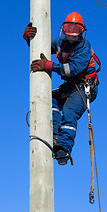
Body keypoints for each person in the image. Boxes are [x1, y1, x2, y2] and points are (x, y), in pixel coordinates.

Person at [23, 12, 100, 165]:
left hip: (84, 86)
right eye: (69, 32)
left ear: (81, 33)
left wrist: (49, 66)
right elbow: (40, 46)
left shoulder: (84, 47)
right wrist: (29, 38)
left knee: (70, 112)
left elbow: (73, 69)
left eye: (75, 34)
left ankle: (63, 148)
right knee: (50, 100)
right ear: (64, 30)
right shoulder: (60, 43)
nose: (71, 37)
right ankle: (54, 135)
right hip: (70, 85)